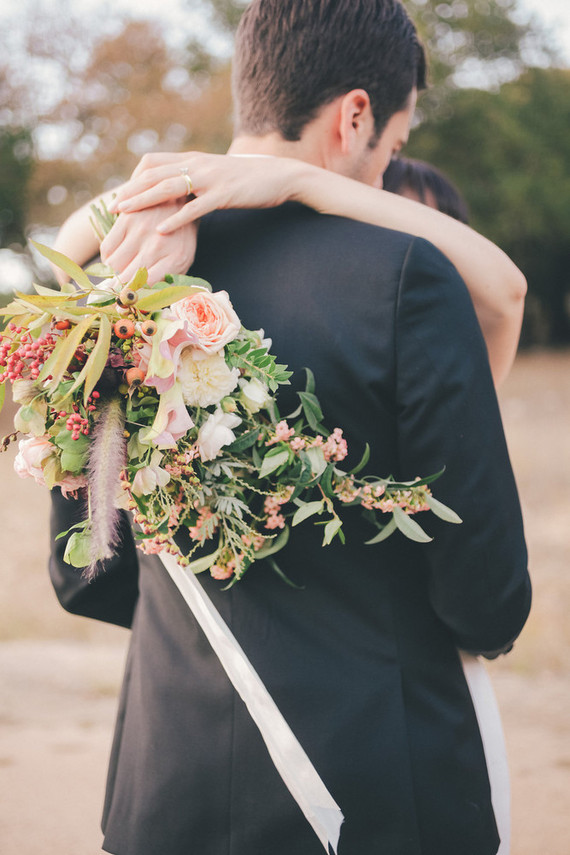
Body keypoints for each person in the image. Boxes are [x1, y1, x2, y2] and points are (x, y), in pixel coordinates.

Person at [48, 2, 531, 854]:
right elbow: (485, 601)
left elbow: (87, 570)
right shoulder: (410, 278)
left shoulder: (112, 276)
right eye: (391, 143)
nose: (383, 171)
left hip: (162, 794)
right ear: (355, 116)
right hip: (376, 792)